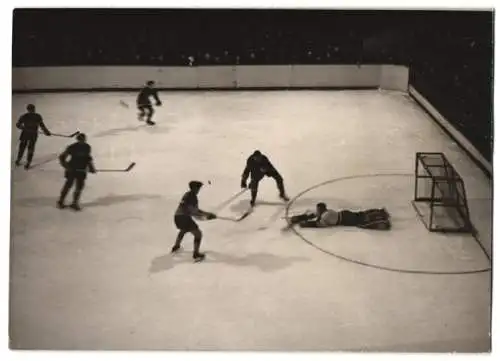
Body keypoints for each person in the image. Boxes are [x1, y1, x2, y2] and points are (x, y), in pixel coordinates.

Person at [172, 181, 217, 262]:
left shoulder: (187, 194)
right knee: (198, 234)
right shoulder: (193, 197)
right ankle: (196, 254)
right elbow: (195, 212)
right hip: (184, 217)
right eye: (198, 188)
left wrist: (207, 215)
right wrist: (208, 215)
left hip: (177, 217)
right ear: (194, 188)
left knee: (183, 230)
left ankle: (176, 246)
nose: (199, 190)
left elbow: (193, 211)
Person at [57, 133, 96, 211]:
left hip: (82, 170)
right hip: (72, 169)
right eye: (80, 140)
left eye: (83, 140)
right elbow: (62, 157)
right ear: (78, 140)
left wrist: (91, 167)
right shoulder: (72, 147)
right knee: (68, 185)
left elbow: (88, 158)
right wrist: (67, 167)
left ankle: (75, 203)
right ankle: (60, 201)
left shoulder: (87, 147)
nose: (82, 141)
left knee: (79, 187)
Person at [289, 202, 391, 230]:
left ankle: (383, 223)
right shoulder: (324, 212)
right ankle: (380, 212)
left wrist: (306, 224)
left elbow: (320, 224)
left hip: (345, 219)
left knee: (362, 222)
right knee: (362, 214)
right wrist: (299, 218)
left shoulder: (325, 216)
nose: (317, 211)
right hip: (344, 213)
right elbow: (313, 215)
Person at [15, 104, 52, 169]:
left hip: (32, 134)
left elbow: (42, 125)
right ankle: (19, 160)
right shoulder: (25, 116)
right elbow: (18, 124)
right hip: (26, 134)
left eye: (32, 109)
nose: (32, 111)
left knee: (30, 149)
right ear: (28, 110)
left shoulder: (36, 116)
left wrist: (46, 132)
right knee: (23, 148)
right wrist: (22, 127)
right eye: (31, 109)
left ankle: (27, 162)